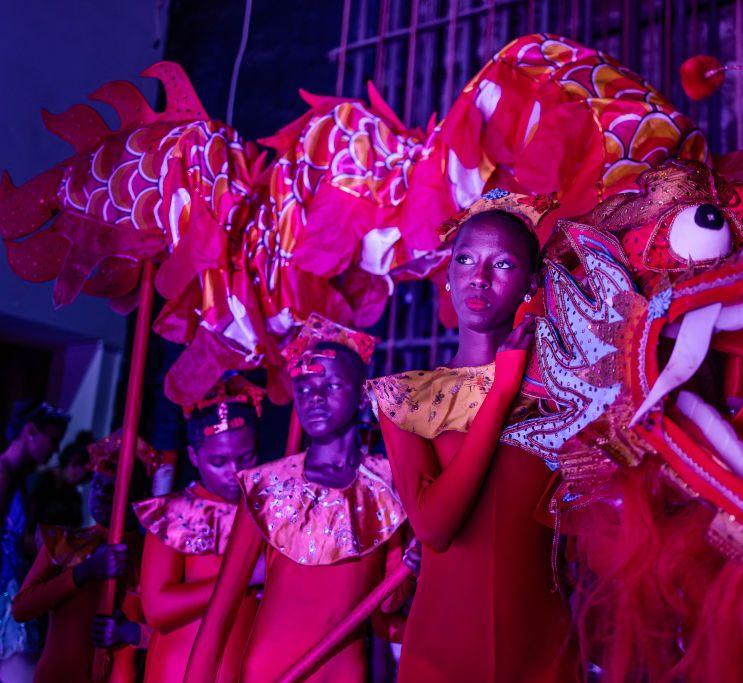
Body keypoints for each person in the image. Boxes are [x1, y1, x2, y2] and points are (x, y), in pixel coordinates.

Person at [367, 189, 577, 682]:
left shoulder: (564, 391)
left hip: (546, 655)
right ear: (448, 276)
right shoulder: (406, 399)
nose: (478, 277)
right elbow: (436, 529)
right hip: (440, 659)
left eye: (502, 264)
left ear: (531, 283)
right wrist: (502, 389)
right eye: (465, 259)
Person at [186, 315, 410, 682]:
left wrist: (414, 558)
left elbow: (388, 603)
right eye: (304, 388)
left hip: (341, 671)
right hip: (269, 667)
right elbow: (220, 610)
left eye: (331, 385)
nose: (314, 398)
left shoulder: (389, 484)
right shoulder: (265, 486)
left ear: (360, 396)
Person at [133, 375, 264, 682]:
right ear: (194, 457)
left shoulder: (266, 513)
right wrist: (247, 575)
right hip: (180, 671)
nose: (234, 472)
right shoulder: (172, 514)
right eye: (219, 461)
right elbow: (157, 608)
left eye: (245, 457)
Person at [11, 431, 149, 683]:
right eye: (97, 485)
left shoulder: (150, 555)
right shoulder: (64, 543)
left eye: (113, 489)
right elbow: (21, 608)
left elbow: (171, 632)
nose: (102, 495)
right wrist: (84, 573)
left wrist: (130, 632)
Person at [0, 400, 69, 682]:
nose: (55, 450)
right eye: (52, 440)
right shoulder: (3, 475)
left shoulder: (19, 478)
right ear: (30, 431)